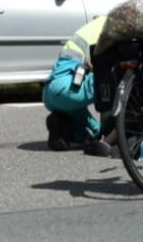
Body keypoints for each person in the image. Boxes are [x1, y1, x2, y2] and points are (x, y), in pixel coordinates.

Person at [43, 15, 112, 155]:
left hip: (51, 92)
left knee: (94, 131)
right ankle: (113, 133)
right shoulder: (115, 30)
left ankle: (63, 130)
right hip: (69, 88)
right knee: (112, 83)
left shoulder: (99, 24)